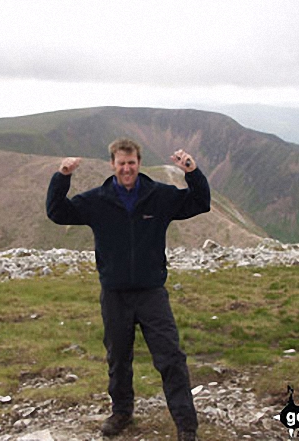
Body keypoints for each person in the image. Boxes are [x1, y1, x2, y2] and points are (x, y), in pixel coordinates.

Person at [46, 138, 211, 441]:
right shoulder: (97, 200)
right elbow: (57, 212)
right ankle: (122, 412)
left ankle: (186, 426)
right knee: (118, 358)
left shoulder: (158, 196)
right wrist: (63, 176)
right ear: (112, 165)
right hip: (115, 294)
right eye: (121, 163)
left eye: (131, 162)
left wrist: (192, 171)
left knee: (171, 358)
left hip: (151, 293)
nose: (126, 168)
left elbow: (200, 202)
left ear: (138, 163)